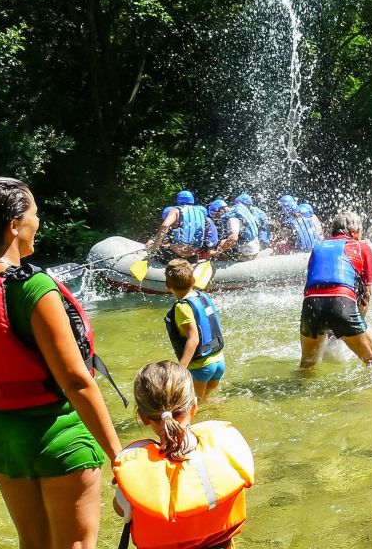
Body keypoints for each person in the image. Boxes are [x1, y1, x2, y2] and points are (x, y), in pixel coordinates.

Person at [0, 176, 123, 548]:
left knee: (32, 542)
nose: (39, 222)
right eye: (35, 213)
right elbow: (76, 380)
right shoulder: (32, 288)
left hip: (0, 438)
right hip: (58, 435)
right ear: (14, 226)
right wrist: (118, 455)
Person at [113, 361, 254, 549]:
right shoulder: (225, 450)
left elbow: (121, 509)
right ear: (194, 407)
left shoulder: (136, 471)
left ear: (143, 417)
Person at [299, 211, 372, 368]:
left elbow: (311, 286)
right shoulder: (361, 247)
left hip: (310, 307)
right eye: (361, 231)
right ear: (353, 231)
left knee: (306, 367)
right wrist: (354, 324)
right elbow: (366, 294)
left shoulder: (318, 247)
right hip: (341, 303)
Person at [164, 259, 225, 401]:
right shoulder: (202, 296)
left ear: (167, 285)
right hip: (219, 361)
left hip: (201, 367)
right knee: (203, 401)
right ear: (194, 281)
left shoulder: (182, 307)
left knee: (190, 405)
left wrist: (181, 370)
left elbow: (194, 338)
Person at [146, 190, 216, 263]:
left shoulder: (176, 210)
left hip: (176, 254)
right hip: (193, 256)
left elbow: (165, 225)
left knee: (150, 244)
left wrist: (155, 245)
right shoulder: (200, 212)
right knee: (168, 243)